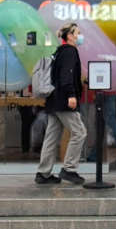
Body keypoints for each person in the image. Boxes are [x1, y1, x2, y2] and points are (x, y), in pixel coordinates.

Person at [35, 22, 88, 185]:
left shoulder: (59, 52)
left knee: (51, 137)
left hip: (54, 100)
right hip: (64, 100)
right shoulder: (70, 52)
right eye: (78, 33)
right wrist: (72, 95)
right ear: (70, 36)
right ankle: (69, 169)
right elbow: (67, 75)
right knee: (80, 132)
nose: (80, 36)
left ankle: (43, 173)